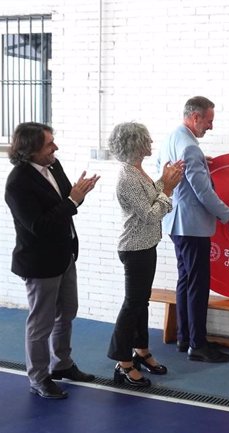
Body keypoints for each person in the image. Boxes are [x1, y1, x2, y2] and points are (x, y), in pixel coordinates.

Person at [4, 122, 100, 399]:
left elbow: (69, 200)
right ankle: (39, 377)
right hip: (39, 262)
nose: (55, 147)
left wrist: (78, 196)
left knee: (67, 311)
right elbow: (40, 225)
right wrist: (73, 201)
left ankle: (62, 364)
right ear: (30, 149)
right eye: (49, 144)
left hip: (65, 254)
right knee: (40, 323)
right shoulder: (18, 183)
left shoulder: (54, 166)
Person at [157, 96, 229, 363]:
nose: (211, 126)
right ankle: (198, 344)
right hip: (192, 225)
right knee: (198, 284)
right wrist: (227, 215)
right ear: (195, 118)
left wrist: (200, 162)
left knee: (185, 280)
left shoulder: (173, 138)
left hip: (175, 222)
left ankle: (185, 338)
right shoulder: (190, 148)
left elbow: (167, 171)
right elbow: (202, 191)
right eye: (209, 121)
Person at [106, 122, 184, 387]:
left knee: (142, 302)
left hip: (146, 245)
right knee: (133, 304)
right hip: (135, 249)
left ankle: (141, 352)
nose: (151, 143)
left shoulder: (138, 171)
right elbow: (150, 215)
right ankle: (123, 363)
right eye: (147, 140)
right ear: (136, 145)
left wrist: (165, 180)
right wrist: (169, 189)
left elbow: (152, 198)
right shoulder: (128, 178)